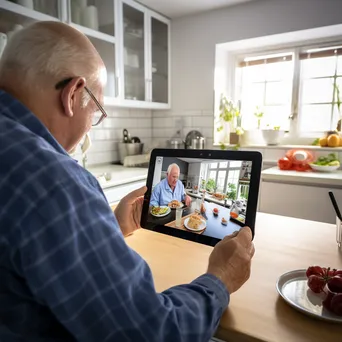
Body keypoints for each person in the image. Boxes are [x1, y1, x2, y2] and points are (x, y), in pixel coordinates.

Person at [0, 21, 255, 342]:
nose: (90, 127)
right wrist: (221, 277)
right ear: (73, 94)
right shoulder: (54, 181)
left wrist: (109, 227)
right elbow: (152, 333)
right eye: (96, 112)